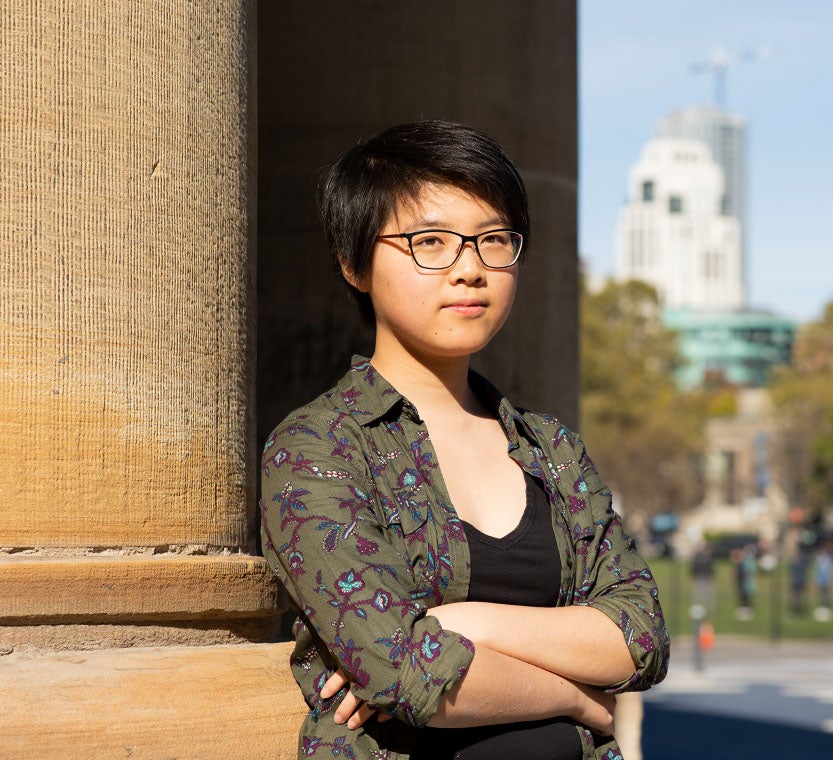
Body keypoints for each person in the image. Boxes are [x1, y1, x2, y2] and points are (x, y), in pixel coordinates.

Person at [260, 121, 669, 760]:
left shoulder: (552, 448)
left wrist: (459, 624)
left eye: (493, 240)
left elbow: (640, 635)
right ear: (354, 263)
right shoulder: (319, 448)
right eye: (430, 243)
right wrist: (577, 699)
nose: (470, 270)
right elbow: (404, 673)